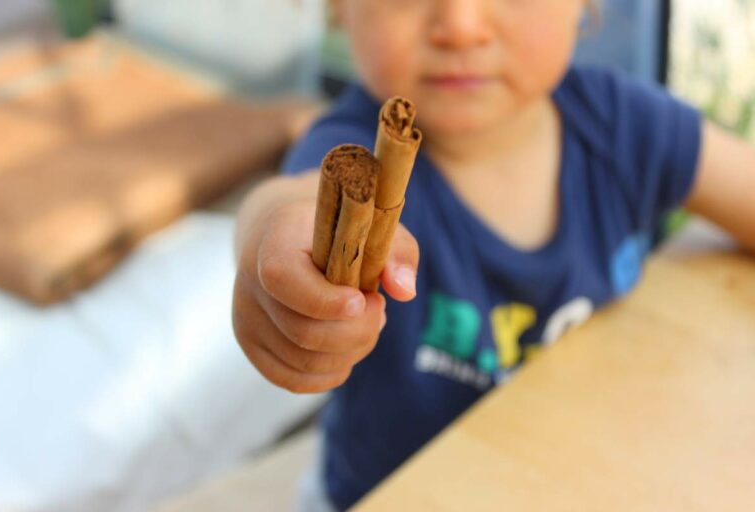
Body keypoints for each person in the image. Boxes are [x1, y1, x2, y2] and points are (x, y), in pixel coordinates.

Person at [231, 0, 755, 509]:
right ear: (338, 7)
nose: (460, 25)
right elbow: (291, 203)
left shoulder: (628, 127)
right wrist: (271, 244)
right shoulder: (356, 150)